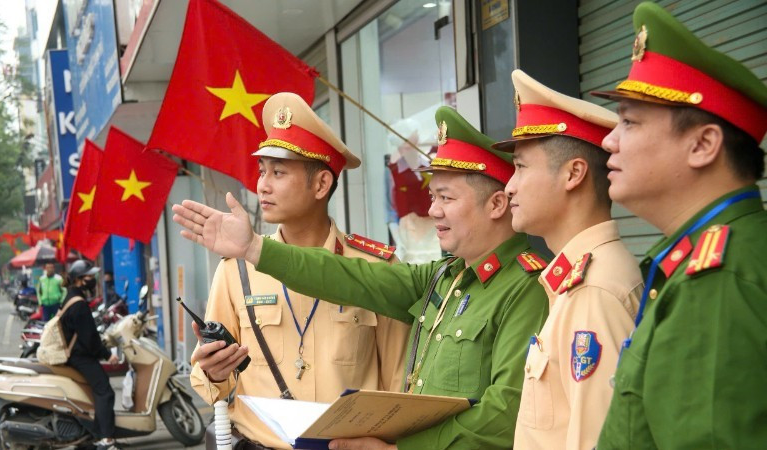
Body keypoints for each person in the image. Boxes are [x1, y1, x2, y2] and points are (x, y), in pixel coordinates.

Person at [174, 106, 551, 449]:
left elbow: (502, 411)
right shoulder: (445, 278)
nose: (432, 210)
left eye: (445, 198)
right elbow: (343, 276)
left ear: (498, 204)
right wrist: (256, 250)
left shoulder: (524, 286)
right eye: (432, 196)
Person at [588, 2, 767, 448]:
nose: (608, 140)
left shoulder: (717, 278)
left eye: (629, 122)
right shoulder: (709, 259)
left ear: (704, 144)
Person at [189, 92, 410, 450]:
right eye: (262, 171)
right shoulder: (237, 271)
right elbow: (208, 379)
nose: (263, 185)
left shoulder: (374, 268)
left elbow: (399, 384)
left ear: (321, 184)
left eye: (278, 172)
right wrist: (214, 373)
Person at [498, 70, 643, 449]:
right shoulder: (576, 280)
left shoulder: (593, 289)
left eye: (521, 167)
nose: (509, 186)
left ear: (573, 174)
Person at [60, 259, 119, 450]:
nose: (93, 279)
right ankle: (106, 438)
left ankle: (96, 433)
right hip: (81, 357)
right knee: (105, 391)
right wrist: (107, 354)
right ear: (79, 280)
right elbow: (89, 338)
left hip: (76, 354)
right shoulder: (79, 305)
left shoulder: (71, 298)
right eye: (90, 276)